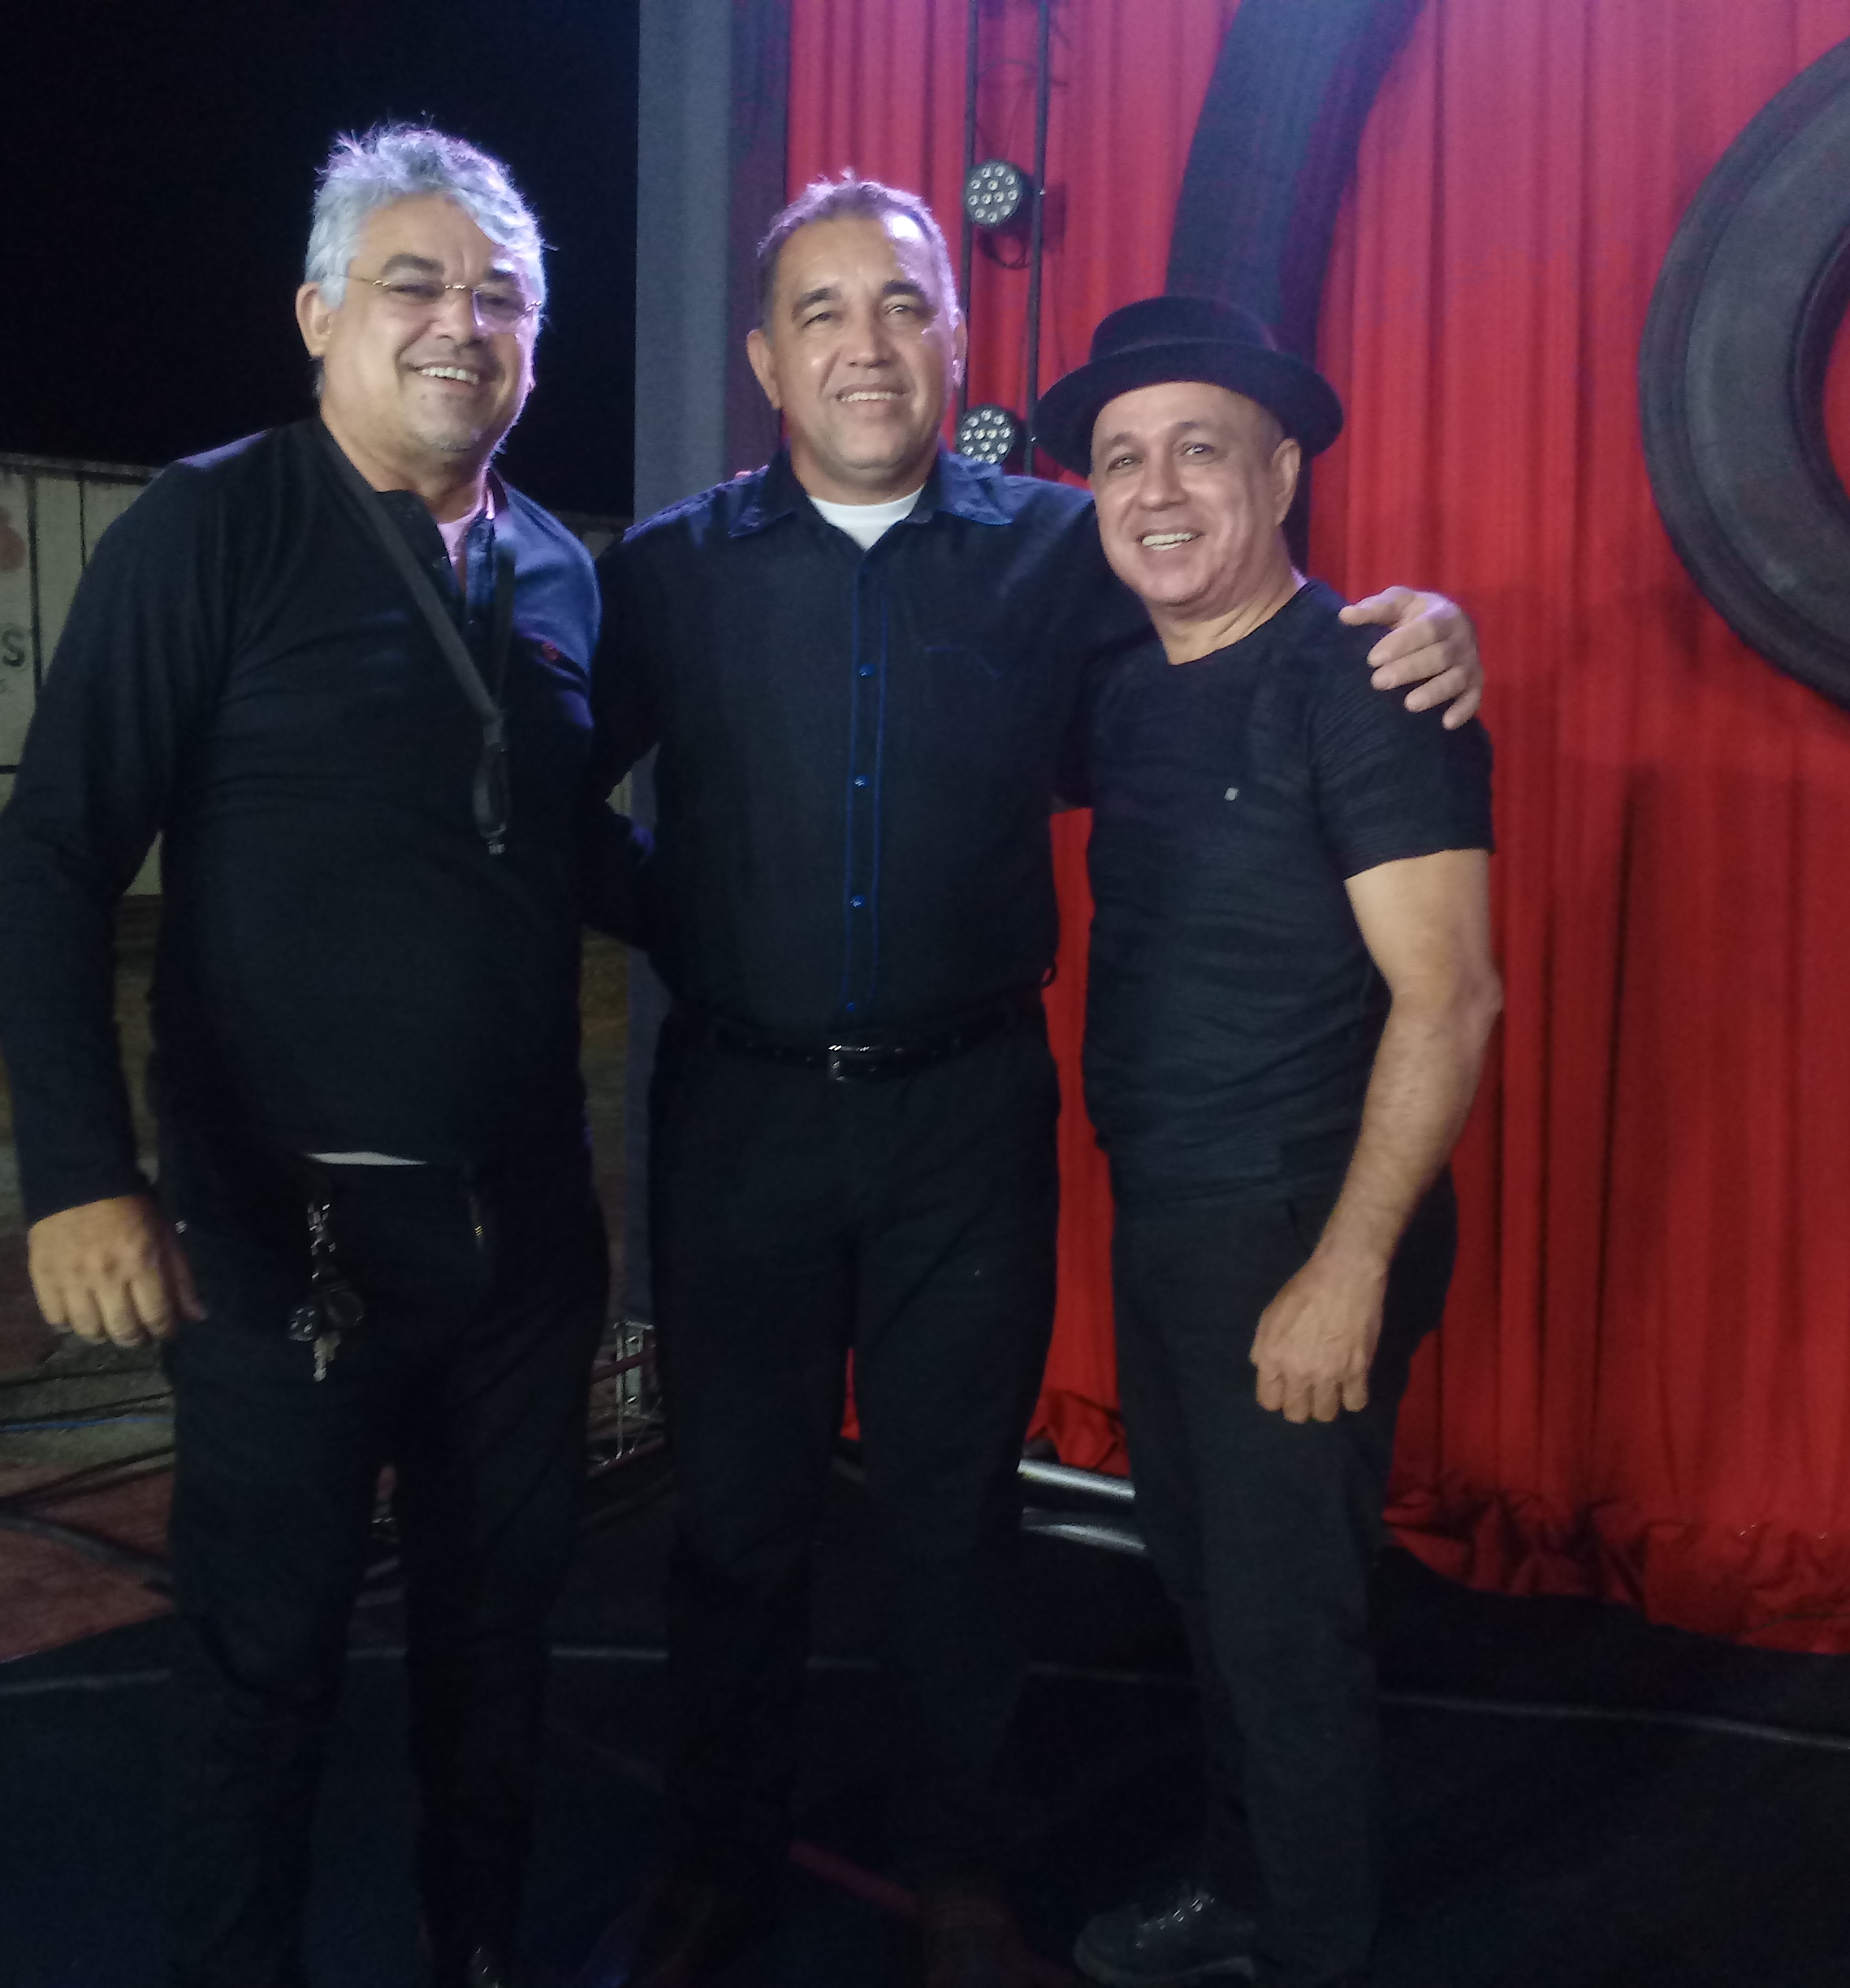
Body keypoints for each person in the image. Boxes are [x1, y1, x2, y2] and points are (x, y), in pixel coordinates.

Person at [589, 176, 1485, 1988]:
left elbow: (1248, 623)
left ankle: (963, 1875)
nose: (866, 344)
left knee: (954, 1519)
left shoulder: (1067, 551)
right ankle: (714, 1863)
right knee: (737, 1524)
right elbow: (544, 790)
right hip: (741, 1119)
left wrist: (1431, 624)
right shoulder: (665, 572)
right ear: (764, 357)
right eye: (823, 310)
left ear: (956, 338)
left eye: (902, 306)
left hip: (968, 1116)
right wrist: (682, 910)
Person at [0, 124, 646, 1988]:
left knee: (496, 1643)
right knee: (260, 1663)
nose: (461, 323)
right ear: (316, 314)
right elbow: (53, 856)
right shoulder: (211, 528)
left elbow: (567, 847)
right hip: (292, 1237)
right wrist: (79, 1176)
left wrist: (819, 949)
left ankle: (474, 1949)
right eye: (413, 283)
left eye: (501, 296)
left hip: (522, 1237)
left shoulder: (559, 570)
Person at [1031, 296, 1502, 1988]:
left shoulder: (1368, 682)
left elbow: (1451, 998)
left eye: (1200, 450)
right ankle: (1243, 1890)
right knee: (1209, 1589)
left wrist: (1346, 1269)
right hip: (1175, 1217)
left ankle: (1308, 1945)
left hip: (1303, 1220)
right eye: (1122, 460)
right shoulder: (1126, 691)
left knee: (1284, 1622)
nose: (1158, 491)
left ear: (1284, 471)